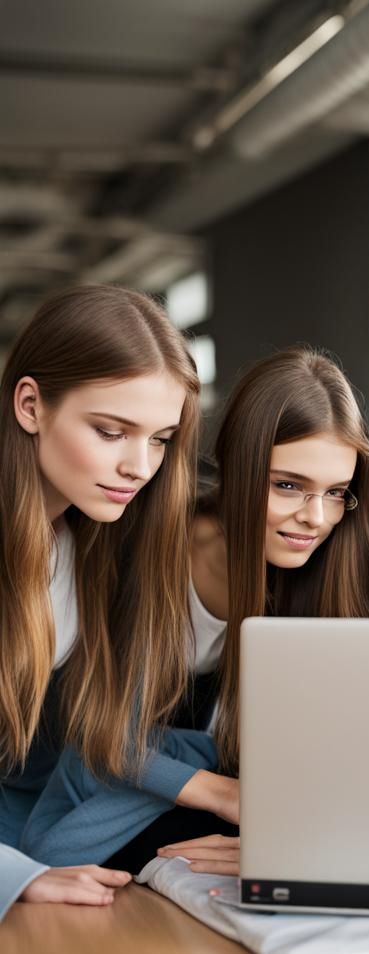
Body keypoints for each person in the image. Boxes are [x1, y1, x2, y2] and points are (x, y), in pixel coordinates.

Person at [21, 348, 369, 876]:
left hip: (190, 793)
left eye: (335, 492)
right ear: (235, 467)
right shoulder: (147, 541)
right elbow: (102, 733)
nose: (315, 518)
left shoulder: (323, 568)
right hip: (78, 784)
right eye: (288, 485)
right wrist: (226, 795)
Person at [0, 284, 201, 918]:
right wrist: (16, 876)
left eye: (161, 439)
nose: (140, 467)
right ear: (31, 405)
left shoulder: (83, 542)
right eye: (111, 431)